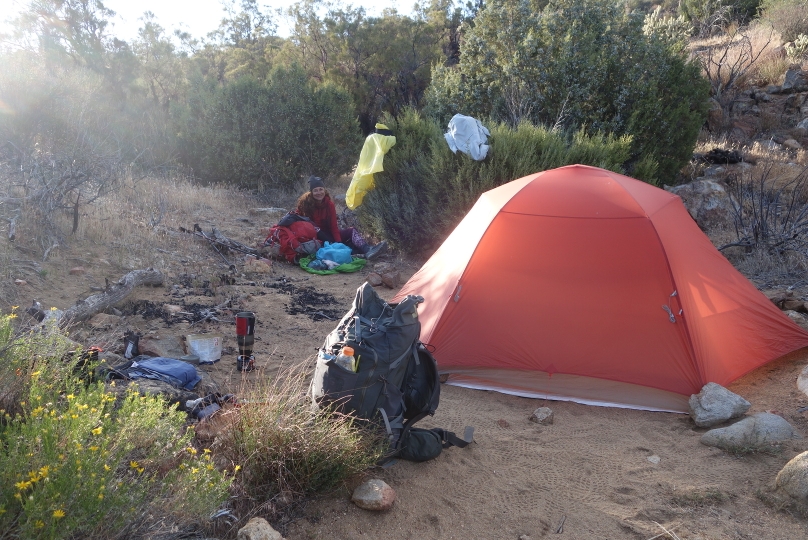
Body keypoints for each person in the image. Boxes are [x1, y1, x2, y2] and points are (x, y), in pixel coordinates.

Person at [295, 176, 388, 260]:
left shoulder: (329, 204)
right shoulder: (305, 204)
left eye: (321, 189)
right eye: (315, 190)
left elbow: (333, 226)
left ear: (324, 190)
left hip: (328, 234)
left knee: (351, 231)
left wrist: (339, 243)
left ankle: (368, 250)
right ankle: (353, 252)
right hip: (315, 239)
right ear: (311, 192)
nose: (319, 193)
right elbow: (298, 219)